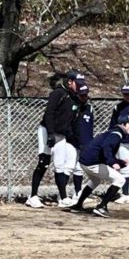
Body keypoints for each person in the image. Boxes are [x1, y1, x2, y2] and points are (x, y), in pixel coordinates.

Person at [26, 70, 84, 209]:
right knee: (44, 161)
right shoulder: (58, 93)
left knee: (60, 166)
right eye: (77, 84)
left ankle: (63, 198)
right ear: (70, 82)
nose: (80, 87)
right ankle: (33, 196)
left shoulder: (75, 98)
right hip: (47, 130)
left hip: (61, 134)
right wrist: (51, 133)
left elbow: (73, 121)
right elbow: (49, 113)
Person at [69, 114, 129, 218]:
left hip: (84, 162)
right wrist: (112, 163)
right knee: (120, 180)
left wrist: (119, 162)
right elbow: (106, 147)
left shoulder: (112, 132)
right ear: (123, 124)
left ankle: (78, 205)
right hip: (92, 163)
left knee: (95, 180)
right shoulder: (116, 134)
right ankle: (101, 207)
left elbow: (104, 151)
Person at [71, 83, 95, 202]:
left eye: (85, 95)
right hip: (73, 141)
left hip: (86, 141)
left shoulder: (89, 108)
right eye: (81, 95)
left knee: (79, 168)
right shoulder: (73, 107)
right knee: (69, 167)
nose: (84, 98)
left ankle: (78, 192)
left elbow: (90, 126)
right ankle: (64, 194)